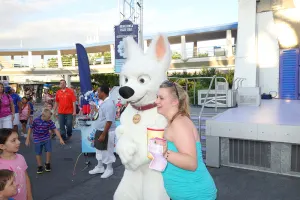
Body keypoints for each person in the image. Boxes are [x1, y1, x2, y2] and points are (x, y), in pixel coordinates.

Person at [155, 80, 217, 200]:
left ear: (175, 102)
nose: (156, 101)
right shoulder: (173, 122)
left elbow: (191, 163)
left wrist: (164, 152)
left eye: (161, 98)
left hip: (195, 195)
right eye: (157, 97)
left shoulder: (180, 123)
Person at [88, 85, 116, 179]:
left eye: (99, 92)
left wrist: (104, 134)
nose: (97, 93)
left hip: (106, 132)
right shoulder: (104, 103)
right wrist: (96, 109)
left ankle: (109, 169)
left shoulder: (109, 104)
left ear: (103, 93)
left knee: (107, 151)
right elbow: (103, 116)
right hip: (100, 130)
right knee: (99, 150)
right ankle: (100, 167)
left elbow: (109, 121)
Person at [25, 109, 65, 174]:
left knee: (48, 150)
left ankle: (47, 163)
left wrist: (60, 138)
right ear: (43, 115)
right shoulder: (36, 120)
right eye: (48, 117)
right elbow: (30, 128)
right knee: (38, 153)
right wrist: (27, 138)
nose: (49, 119)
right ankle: (39, 166)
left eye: (50, 118)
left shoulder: (49, 121)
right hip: (37, 138)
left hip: (46, 138)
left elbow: (55, 130)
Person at [0, 129, 33, 200]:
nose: (19, 142)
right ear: (2, 146)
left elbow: (26, 178)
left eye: (17, 139)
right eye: (13, 140)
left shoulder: (20, 158)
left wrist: (29, 196)